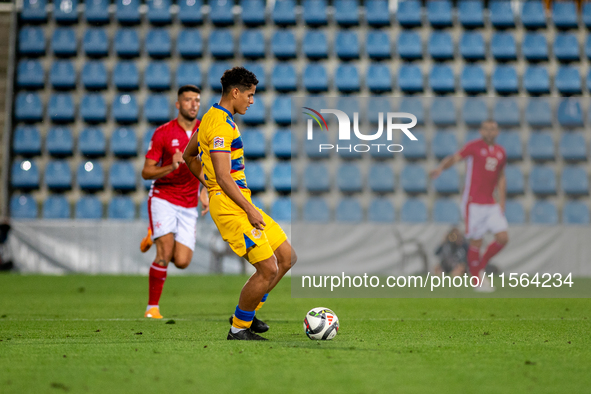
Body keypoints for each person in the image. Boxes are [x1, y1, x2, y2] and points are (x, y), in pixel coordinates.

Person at [183, 67, 297, 340]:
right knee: (268, 267)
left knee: (287, 258)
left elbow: (189, 156)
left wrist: (207, 182)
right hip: (232, 206)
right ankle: (238, 329)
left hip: (238, 200)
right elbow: (222, 176)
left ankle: (249, 310)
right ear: (235, 92)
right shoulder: (221, 125)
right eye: (249, 95)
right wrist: (241, 205)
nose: (252, 101)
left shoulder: (210, 118)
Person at [140, 85, 209, 319]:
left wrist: (205, 190)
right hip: (164, 198)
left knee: (182, 261)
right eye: (188, 100)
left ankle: (156, 234)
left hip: (189, 203)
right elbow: (146, 172)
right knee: (164, 252)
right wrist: (171, 165)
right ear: (178, 105)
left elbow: (211, 165)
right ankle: (152, 308)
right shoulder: (163, 133)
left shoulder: (205, 130)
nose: (193, 104)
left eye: (197, 100)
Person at [430, 120, 509, 292]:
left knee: (503, 238)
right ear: (481, 131)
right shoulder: (473, 147)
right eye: (486, 129)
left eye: (492, 129)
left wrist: (502, 201)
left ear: (497, 132)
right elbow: (455, 158)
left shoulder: (501, 152)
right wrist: (441, 168)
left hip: (491, 202)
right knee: (476, 242)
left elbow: (501, 176)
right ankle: (476, 280)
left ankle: (479, 266)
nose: (489, 132)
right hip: (473, 203)